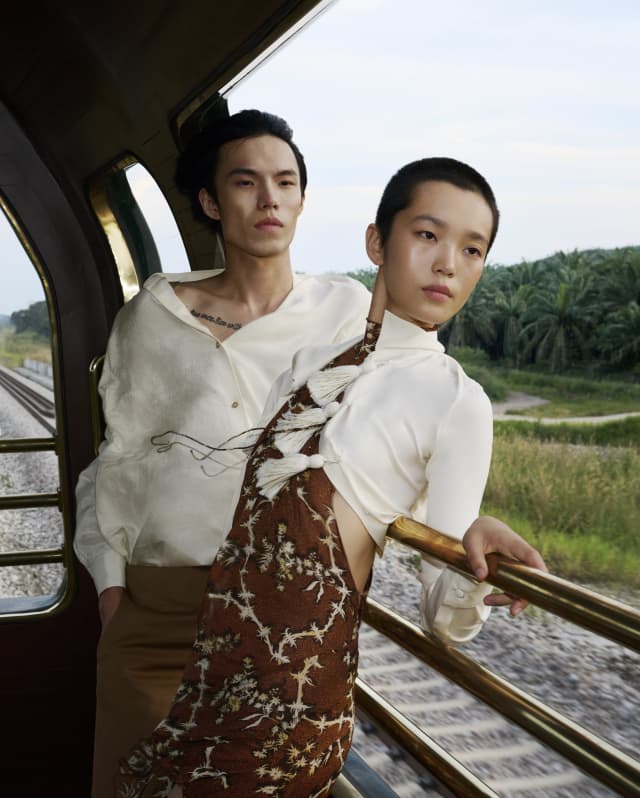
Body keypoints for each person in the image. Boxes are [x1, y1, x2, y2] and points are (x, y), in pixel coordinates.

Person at [116, 157, 546, 797]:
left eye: (472, 249)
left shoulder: (456, 399)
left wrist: (474, 550)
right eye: (427, 235)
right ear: (378, 241)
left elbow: (444, 618)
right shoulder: (311, 363)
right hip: (213, 679)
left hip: (291, 713)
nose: (448, 264)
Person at [73, 109, 373, 797]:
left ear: (301, 199)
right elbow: (115, 466)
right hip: (157, 617)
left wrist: (466, 520)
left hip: (284, 624)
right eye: (246, 182)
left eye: (286, 182)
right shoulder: (152, 319)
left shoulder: (347, 315)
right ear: (211, 202)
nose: (270, 198)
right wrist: (112, 591)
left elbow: (412, 433)